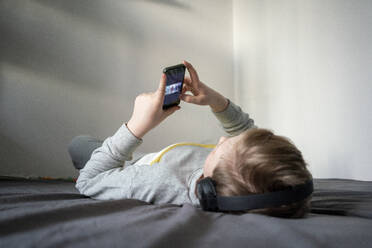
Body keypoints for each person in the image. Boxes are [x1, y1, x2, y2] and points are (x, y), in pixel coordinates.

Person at [68, 61, 313, 218]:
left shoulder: (156, 182)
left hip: (127, 167)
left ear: (209, 186)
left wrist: (136, 126)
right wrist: (216, 101)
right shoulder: (238, 178)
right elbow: (245, 129)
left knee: (78, 144)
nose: (221, 139)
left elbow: (89, 181)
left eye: (222, 147)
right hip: (154, 159)